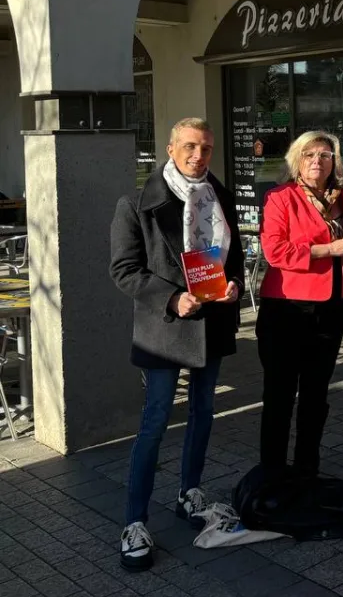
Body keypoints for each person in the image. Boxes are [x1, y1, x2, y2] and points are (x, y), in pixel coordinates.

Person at [109, 118, 244, 571]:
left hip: (212, 324)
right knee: (156, 420)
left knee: (204, 411)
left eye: (205, 148)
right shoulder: (136, 204)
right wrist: (170, 297)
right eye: (189, 147)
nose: (197, 156)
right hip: (166, 328)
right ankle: (135, 521)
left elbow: (234, 259)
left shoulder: (221, 197)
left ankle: (190, 493)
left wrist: (235, 285)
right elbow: (124, 269)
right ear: (170, 149)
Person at [257, 131, 343, 476]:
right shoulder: (280, 197)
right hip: (286, 308)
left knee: (316, 396)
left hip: (331, 307)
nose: (318, 161)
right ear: (296, 160)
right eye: (309, 154)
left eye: (325, 155)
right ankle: (272, 473)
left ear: (335, 162)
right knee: (280, 396)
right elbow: (275, 252)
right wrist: (328, 250)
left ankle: (306, 470)